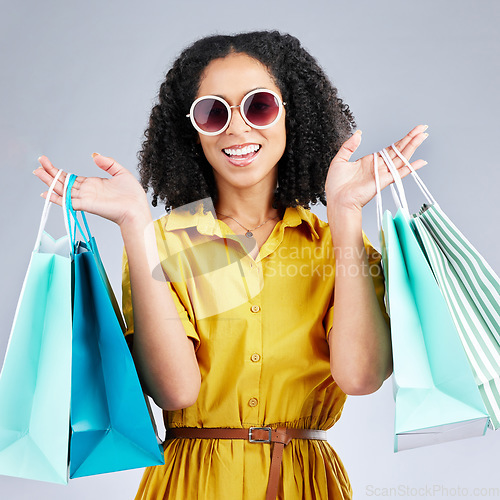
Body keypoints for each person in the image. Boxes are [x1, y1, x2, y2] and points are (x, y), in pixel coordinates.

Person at [34, 30, 428, 500]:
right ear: (193, 131)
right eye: (214, 113)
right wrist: (134, 222)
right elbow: (174, 391)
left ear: (291, 115)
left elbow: (361, 378)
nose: (237, 129)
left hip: (305, 484)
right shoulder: (161, 243)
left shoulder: (335, 246)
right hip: (191, 485)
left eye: (259, 106)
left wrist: (345, 212)